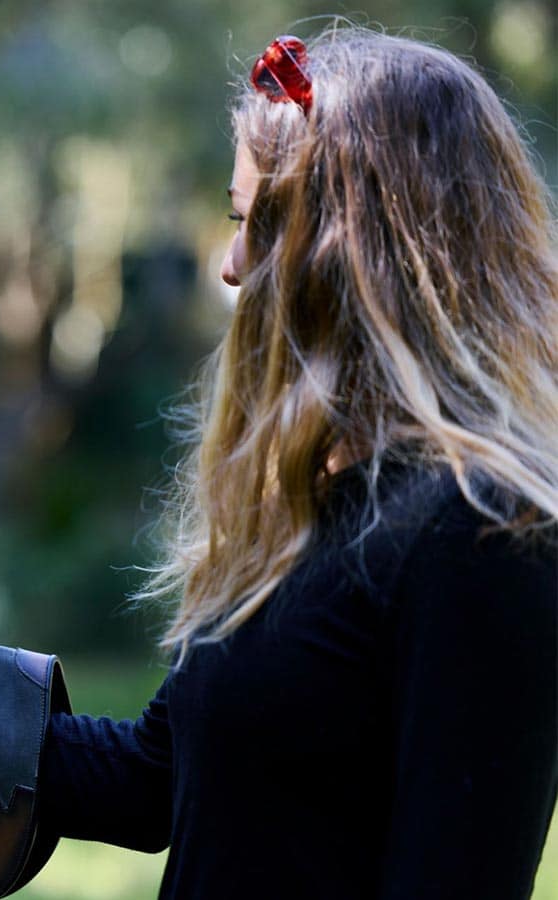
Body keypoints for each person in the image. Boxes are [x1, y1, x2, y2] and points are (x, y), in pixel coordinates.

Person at [35, 26, 558, 899]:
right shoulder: (305, 504)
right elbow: (155, 778)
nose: (231, 265)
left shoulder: (483, 532)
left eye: (251, 222)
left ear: (346, 247)